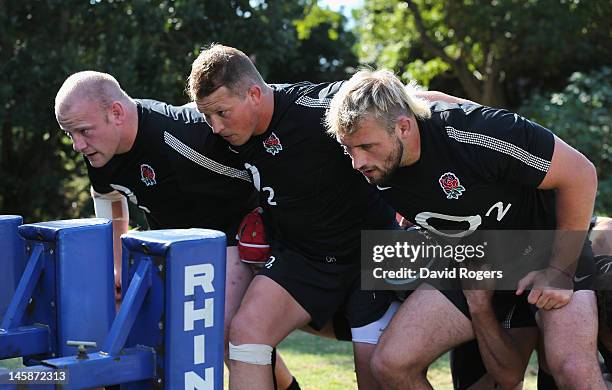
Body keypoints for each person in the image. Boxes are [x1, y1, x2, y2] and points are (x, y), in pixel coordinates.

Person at [326, 69, 605, 389]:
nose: (357, 162)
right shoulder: (383, 147)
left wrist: (560, 269)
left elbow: (582, 174)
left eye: (366, 146)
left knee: (571, 368)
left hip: (549, 244)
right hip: (476, 258)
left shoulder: (479, 132)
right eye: (349, 149)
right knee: (391, 364)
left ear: (404, 127)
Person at [54, 71, 301, 390]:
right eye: (70, 134)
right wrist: (116, 263)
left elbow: (266, 136)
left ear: (116, 113)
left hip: (231, 235)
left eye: (82, 131)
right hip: (172, 247)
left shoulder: (190, 132)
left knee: (223, 333)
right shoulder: (100, 150)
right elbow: (107, 194)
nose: (77, 145)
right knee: (117, 320)